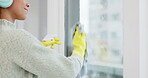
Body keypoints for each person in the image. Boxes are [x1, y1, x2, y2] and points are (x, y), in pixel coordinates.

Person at [0, 0, 86, 78]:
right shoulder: (17, 38)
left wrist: (36, 50)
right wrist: (79, 50)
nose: (27, 4)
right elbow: (68, 71)